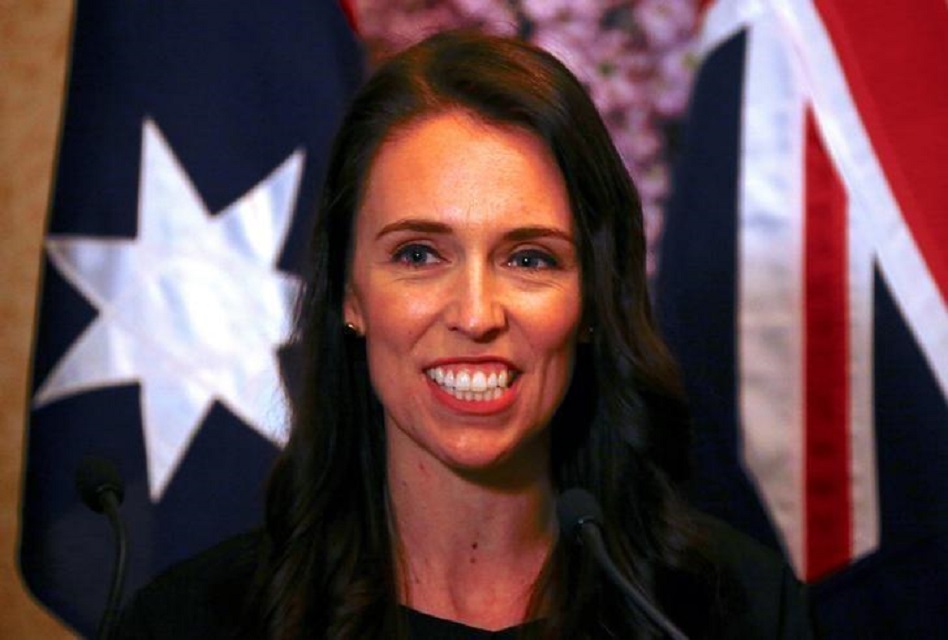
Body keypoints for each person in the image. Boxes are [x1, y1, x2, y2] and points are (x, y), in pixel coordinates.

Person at [117, 30, 811, 639]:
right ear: (352, 294)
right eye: (419, 254)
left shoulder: (736, 611)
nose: (476, 314)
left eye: (529, 258)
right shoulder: (192, 620)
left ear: (593, 299)